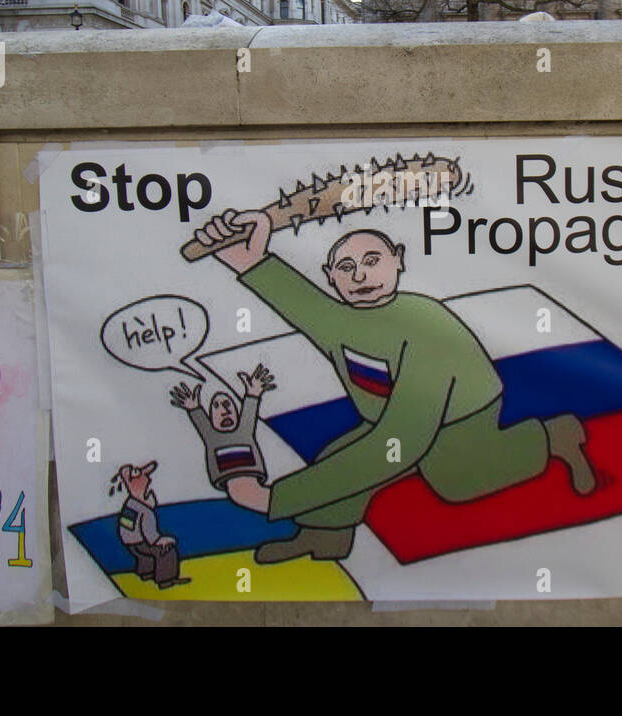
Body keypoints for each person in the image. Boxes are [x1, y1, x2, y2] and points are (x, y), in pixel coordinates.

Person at [191, 210, 596, 564]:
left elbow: (400, 442)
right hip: (387, 415)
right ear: (330, 278)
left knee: (455, 481)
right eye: (345, 268)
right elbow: (303, 306)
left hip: (461, 414)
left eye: (371, 261)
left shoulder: (423, 328)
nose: (360, 275)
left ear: (398, 261)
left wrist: (275, 499)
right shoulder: (342, 319)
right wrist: (250, 260)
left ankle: (554, 435)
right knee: (337, 455)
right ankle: (325, 537)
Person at [170, 364, 274, 490]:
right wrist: (193, 408)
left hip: (253, 481)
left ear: (237, 412)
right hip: (228, 482)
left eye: (227, 404)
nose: (224, 411)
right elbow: (202, 424)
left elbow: (249, 412)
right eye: (216, 406)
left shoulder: (244, 431)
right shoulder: (212, 437)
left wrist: (253, 394)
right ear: (210, 417)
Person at [109, 460, 187, 588]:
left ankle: (145, 572)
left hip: (130, 543)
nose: (148, 479)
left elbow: (125, 527)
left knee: (144, 555)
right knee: (166, 551)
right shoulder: (144, 510)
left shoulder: (130, 504)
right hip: (140, 542)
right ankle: (166, 580)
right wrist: (162, 541)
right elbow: (150, 535)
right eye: (144, 477)